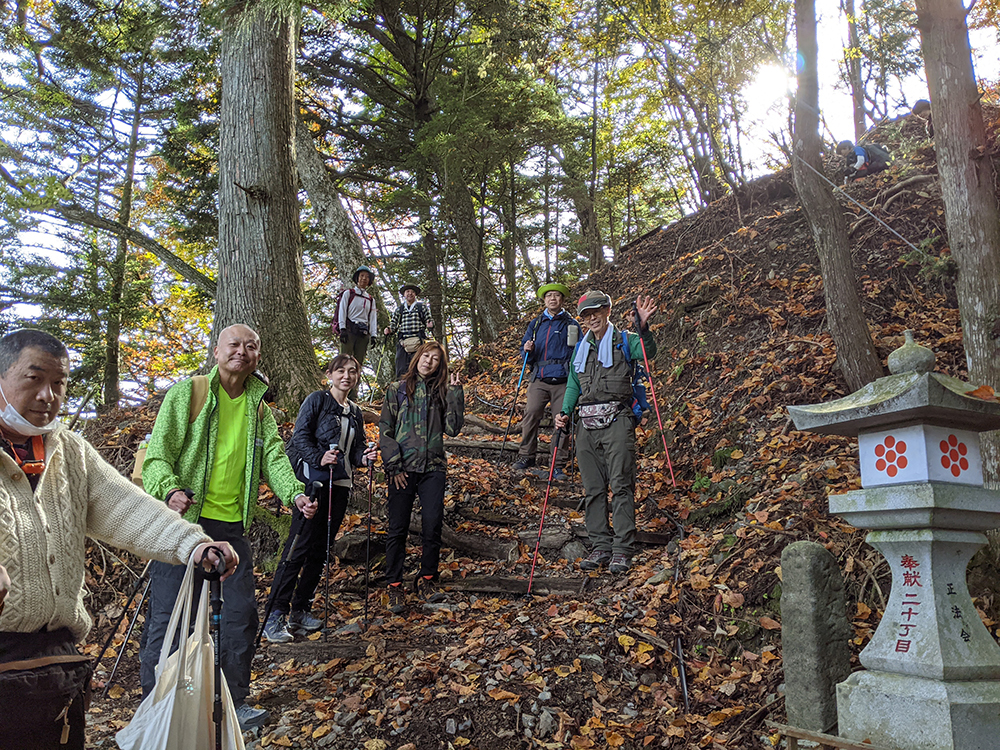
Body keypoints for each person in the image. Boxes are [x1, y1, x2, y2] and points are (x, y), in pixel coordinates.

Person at [0, 329, 238, 750]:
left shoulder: (69, 451)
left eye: (59, 383)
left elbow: (129, 508)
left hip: (56, 661)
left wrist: (193, 544)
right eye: (33, 379)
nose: (48, 395)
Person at [140, 324, 311, 731]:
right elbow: (158, 455)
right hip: (182, 527)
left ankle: (232, 705)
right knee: (168, 619)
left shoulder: (259, 409)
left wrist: (295, 494)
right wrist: (170, 490)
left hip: (232, 530)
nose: (243, 352)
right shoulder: (188, 394)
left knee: (240, 617)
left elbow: (273, 456)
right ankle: (156, 709)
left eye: (251, 346)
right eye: (234, 344)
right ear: (217, 351)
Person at [262, 355, 377, 642]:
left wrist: (365, 456)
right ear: (330, 374)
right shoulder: (317, 400)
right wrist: (318, 456)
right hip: (312, 483)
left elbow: (356, 449)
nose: (347, 376)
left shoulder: (355, 411)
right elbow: (300, 437)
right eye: (341, 371)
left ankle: (301, 610)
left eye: (352, 372)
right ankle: (275, 613)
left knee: (321, 549)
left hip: (340, 484)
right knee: (298, 547)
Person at [554, 292, 658, 576]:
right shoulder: (581, 348)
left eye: (595, 312)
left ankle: (623, 548)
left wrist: (643, 328)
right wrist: (565, 411)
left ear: (607, 310)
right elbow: (574, 384)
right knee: (592, 488)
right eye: (585, 315)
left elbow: (648, 354)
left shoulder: (625, 340)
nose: (591, 319)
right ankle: (600, 545)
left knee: (621, 484)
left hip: (618, 419)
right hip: (585, 425)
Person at [378, 341, 463, 613]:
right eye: (426, 355)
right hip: (402, 469)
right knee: (398, 528)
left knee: (432, 523)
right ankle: (394, 585)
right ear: (417, 358)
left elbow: (452, 429)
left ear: (441, 365)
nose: (429, 361)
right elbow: (385, 430)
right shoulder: (397, 389)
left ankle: (427, 579)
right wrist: (394, 466)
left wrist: (456, 392)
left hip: (433, 468)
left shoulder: (442, 392)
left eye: (436, 359)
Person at [512, 282, 583, 481]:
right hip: (539, 378)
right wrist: (526, 349)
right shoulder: (536, 324)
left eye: (557, 296)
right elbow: (524, 352)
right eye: (549, 295)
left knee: (562, 421)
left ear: (562, 299)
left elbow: (581, 351)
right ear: (544, 300)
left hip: (564, 381)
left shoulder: (572, 324)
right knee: (531, 414)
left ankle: (557, 464)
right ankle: (526, 456)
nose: (553, 299)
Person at [338, 265, 379, 397]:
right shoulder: (348, 294)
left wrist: (374, 335)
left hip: (363, 334)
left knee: (357, 364)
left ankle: (352, 394)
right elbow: (342, 311)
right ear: (357, 278)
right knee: (344, 361)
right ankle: (339, 391)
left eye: (367, 277)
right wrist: (342, 329)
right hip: (349, 331)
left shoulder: (370, 299)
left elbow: (372, 318)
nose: (364, 279)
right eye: (362, 276)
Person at [383, 283, 434, 378]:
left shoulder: (421, 307)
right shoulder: (400, 309)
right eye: (407, 291)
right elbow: (394, 323)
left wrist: (430, 324)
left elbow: (428, 319)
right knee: (401, 367)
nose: (410, 293)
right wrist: (389, 329)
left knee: (418, 366)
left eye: (412, 292)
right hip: (403, 341)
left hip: (418, 340)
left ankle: (420, 388)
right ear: (404, 294)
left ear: (415, 294)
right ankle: (401, 388)